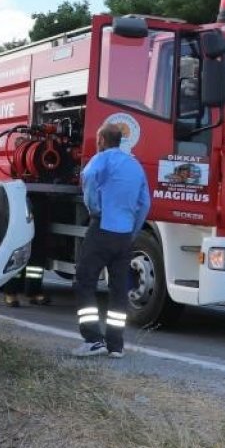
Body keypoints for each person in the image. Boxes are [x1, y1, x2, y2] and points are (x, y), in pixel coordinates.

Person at [71, 122, 150, 358]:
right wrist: (133, 231)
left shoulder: (102, 158)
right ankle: (116, 345)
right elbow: (145, 203)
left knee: (85, 281)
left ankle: (93, 339)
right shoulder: (135, 165)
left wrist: (94, 206)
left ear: (102, 141)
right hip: (125, 234)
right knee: (118, 290)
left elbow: (89, 176)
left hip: (102, 228)